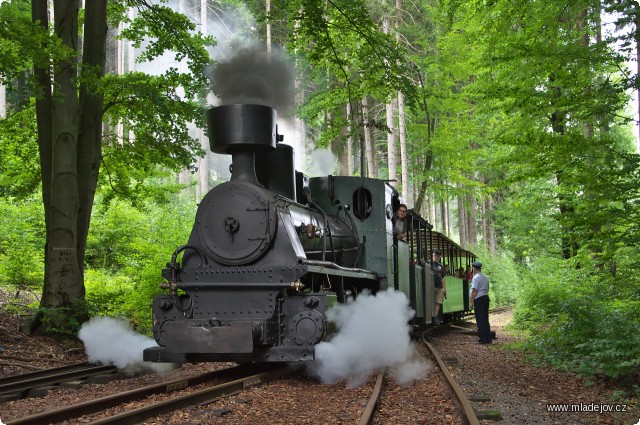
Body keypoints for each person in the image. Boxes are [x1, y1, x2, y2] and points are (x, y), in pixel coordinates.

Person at [470, 261, 491, 344]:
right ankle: (487, 338)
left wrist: (471, 301)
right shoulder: (485, 277)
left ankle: (482, 339)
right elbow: (487, 288)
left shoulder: (476, 278)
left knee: (480, 319)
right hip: (486, 298)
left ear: (474, 268)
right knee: (485, 319)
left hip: (479, 299)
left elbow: (474, 290)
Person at [431, 250, 446, 325]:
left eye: (439, 256)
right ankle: (431, 316)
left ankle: (435, 317)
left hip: (439, 287)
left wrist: (444, 288)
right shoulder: (429, 263)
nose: (437, 257)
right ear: (433, 255)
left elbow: (443, 278)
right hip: (430, 286)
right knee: (431, 302)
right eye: (436, 255)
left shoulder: (441, 266)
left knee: (438, 302)